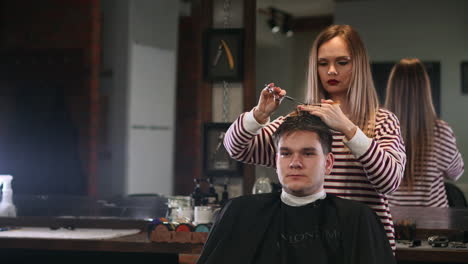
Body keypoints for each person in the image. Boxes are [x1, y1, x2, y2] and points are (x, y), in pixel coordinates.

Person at [223, 24, 406, 249]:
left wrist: (348, 129)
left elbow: (390, 181)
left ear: (358, 65)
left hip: (364, 245)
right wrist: (259, 114)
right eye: (323, 63)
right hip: (308, 243)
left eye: (342, 62)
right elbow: (236, 148)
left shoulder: (382, 121)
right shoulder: (303, 119)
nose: (331, 71)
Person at [198, 112, 396, 264]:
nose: (295, 163)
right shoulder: (240, 214)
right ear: (275, 161)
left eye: (308, 153)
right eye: (285, 153)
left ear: (328, 163)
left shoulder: (357, 219)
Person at [384, 58, 464, 207]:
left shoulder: (380, 128)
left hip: (391, 223)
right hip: (435, 224)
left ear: (392, 90)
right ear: (425, 90)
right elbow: (456, 173)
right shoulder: (441, 131)